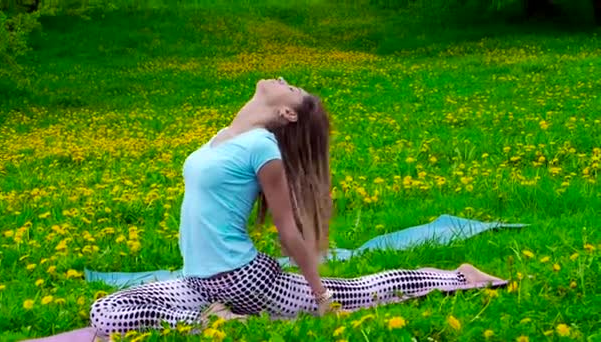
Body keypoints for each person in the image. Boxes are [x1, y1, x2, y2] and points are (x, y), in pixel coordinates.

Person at [89, 77, 506, 337]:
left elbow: (287, 229)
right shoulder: (220, 137)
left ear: (287, 112)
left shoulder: (261, 145)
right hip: (197, 280)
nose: (283, 79)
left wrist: (321, 295)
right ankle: (216, 322)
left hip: (244, 281)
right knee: (107, 311)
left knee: (356, 291)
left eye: (293, 88)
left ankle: (458, 276)